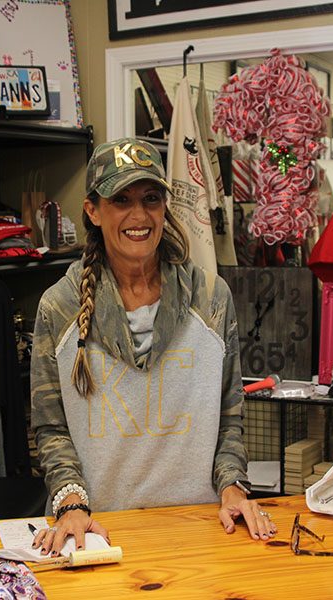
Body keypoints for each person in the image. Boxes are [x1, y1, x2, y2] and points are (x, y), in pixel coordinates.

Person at [30, 137, 275, 556]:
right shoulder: (60, 306)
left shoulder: (211, 298)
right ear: (92, 210)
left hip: (203, 531)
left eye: (151, 198)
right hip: (102, 534)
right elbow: (51, 428)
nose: (139, 215)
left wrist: (232, 485)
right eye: (121, 199)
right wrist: (71, 502)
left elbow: (229, 417)